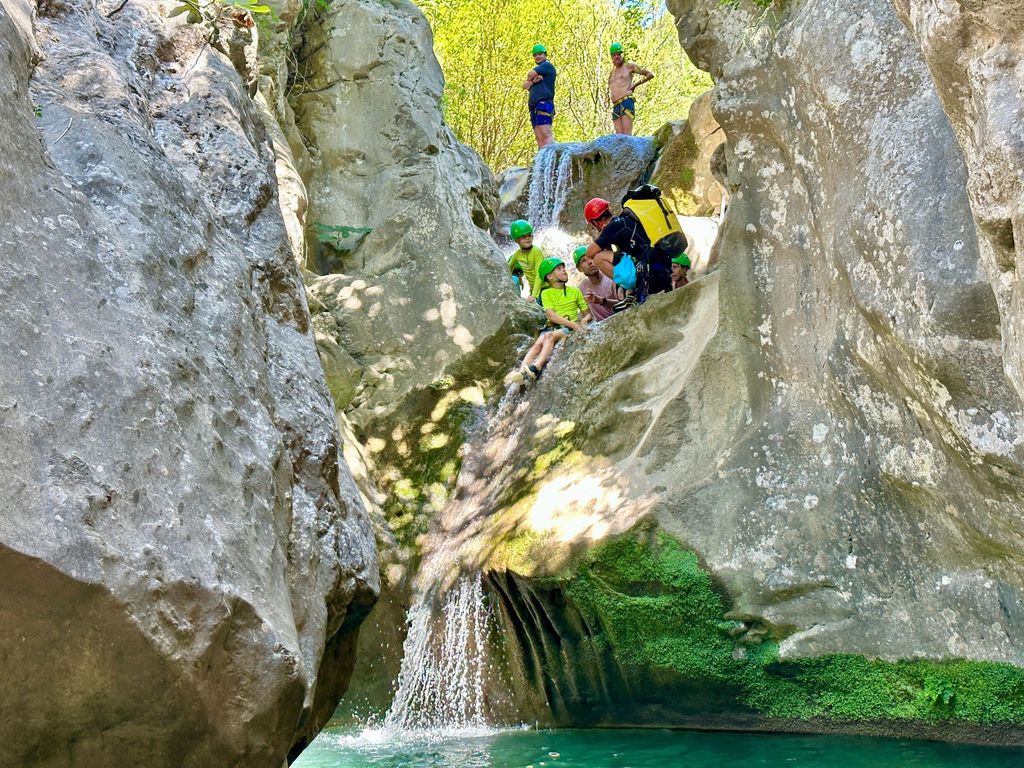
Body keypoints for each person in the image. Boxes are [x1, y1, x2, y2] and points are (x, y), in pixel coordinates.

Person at [578, 196, 686, 309]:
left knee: (598, 258)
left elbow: (589, 253)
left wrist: (602, 234)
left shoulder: (613, 226)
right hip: (662, 272)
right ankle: (630, 292)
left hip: (649, 278)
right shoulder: (626, 221)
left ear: (596, 222)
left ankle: (632, 292)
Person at [506, 257, 590, 385]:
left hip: (566, 328)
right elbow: (551, 315)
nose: (564, 270)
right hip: (557, 326)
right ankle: (522, 372)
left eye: (563, 268)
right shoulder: (546, 293)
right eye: (559, 269)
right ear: (550, 276)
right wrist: (573, 324)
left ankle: (537, 367)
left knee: (549, 336)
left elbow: (587, 314)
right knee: (538, 343)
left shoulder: (574, 291)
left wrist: (584, 320)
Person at [608, 42, 654, 136]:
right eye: (614, 55)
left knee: (626, 136)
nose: (616, 57)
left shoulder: (629, 66)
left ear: (622, 55)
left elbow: (649, 75)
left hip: (626, 102)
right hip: (616, 105)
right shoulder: (612, 72)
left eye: (618, 54)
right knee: (619, 138)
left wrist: (635, 85)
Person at [573, 245, 620, 322]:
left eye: (591, 257)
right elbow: (586, 313)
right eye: (584, 261)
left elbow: (625, 304)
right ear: (579, 269)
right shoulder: (582, 288)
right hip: (601, 326)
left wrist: (602, 301)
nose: (589, 262)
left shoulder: (611, 277)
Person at [523, 44, 557, 149]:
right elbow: (524, 85)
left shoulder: (547, 66)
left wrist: (531, 79)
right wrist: (533, 81)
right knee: (539, 137)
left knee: (546, 134)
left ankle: (550, 156)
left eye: (540, 54)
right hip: (534, 107)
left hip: (544, 104)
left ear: (545, 55)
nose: (537, 56)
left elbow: (530, 73)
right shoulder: (538, 73)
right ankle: (542, 158)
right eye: (535, 55)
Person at [507, 219, 546, 299]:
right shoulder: (517, 254)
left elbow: (539, 274)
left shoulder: (536, 252)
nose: (527, 238)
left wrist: (534, 295)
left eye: (529, 235)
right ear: (516, 240)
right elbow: (507, 269)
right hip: (533, 290)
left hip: (545, 288)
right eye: (523, 237)